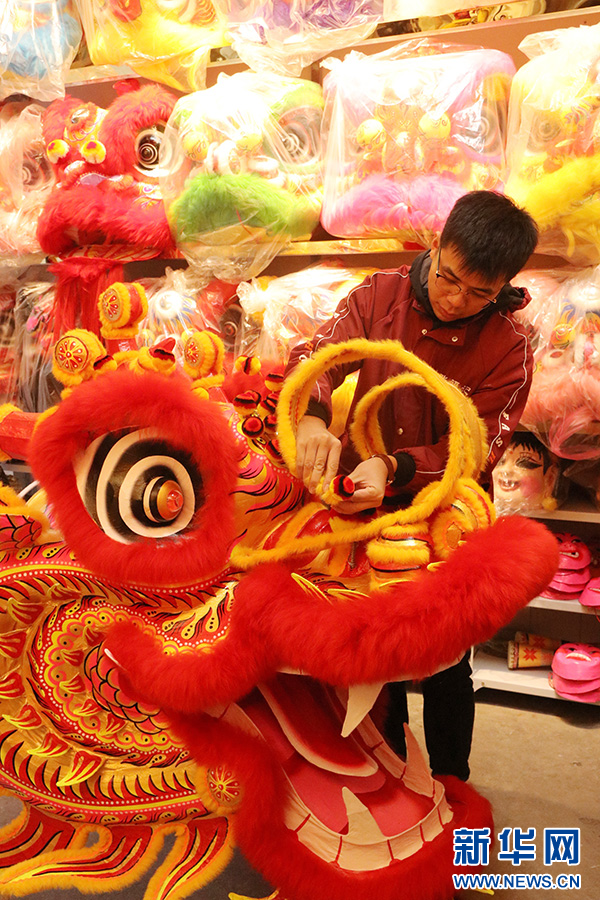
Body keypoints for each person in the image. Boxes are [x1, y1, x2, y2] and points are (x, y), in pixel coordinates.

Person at [284, 190, 539, 781]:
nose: (455, 300)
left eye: (478, 292)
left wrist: (397, 468)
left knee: (448, 659)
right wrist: (314, 417)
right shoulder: (380, 295)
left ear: (503, 285)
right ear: (435, 245)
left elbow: (476, 446)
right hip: (360, 504)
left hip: (444, 512)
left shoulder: (510, 346)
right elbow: (319, 357)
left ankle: (452, 786)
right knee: (376, 648)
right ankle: (390, 775)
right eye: (448, 278)